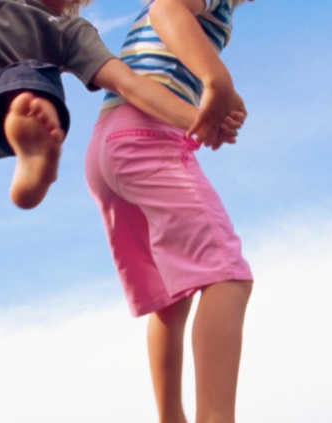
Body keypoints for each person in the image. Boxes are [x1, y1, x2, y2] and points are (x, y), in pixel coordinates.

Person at [0, 1, 243, 422]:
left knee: (33, 83)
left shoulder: (68, 33)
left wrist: (197, 120)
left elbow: (129, 85)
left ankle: (34, 151)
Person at [83, 0, 255, 422]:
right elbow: (167, 7)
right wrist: (216, 75)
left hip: (108, 144)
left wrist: (220, 96)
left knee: (170, 300)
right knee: (227, 277)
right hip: (147, 139)